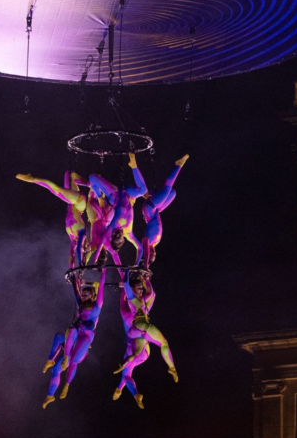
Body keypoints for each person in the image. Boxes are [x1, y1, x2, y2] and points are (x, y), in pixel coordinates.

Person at [112, 269, 177, 407]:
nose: (141, 291)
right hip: (144, 349)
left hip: (134, 342)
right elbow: (151, 294)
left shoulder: (130, 308)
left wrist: (130, 279)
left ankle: (125, 390)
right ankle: (125, 390)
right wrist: (144, 279)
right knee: (160, 344)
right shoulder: (141, 305)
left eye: (141, 289)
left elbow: (143, 295)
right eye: (139, 288)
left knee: (126, 374)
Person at [42, 271, 106, 409]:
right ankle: (50, 395)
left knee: (72, 360)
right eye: (82, 294)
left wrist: (103, 270)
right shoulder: (80, 305)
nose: (83, 296)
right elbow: (74, 289)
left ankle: (67, 385)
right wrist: (75, 272)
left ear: (92, 295)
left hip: (83, 340)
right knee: (60, 339)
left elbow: (101, 286)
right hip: (74, 337)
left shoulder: (97, 306)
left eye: (86, 294)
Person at [15, 170, 94, 268]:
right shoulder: (82, 233)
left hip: (71, 203)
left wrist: (72, 268)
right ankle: (31, 178)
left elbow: (71, 254)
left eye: (86, 247)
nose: (88, 244)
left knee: (69, 174)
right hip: (79, 203)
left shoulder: (73, 239)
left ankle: (90, 184)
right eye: (89, 245)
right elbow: (78, 250)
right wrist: (82, 262)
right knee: (57, 190)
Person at [86, 154, 148, 266]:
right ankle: (133, 165)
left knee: (92, 177)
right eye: (118, 238)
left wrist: (95, 260)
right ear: (123, 240)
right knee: (143, 190)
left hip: (114, 195)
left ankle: (99, 197)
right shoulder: (129, 233)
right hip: (128, 194)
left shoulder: (113, 226)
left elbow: (100, 245)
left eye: (114, 236)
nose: (116, 234)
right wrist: (136, 264)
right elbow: (140, 248)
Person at [135, 154, 189, 269]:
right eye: (154, 255)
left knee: (167, 189)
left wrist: (145, 266)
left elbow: (144, 252)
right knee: (172, 193)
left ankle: (179, 165)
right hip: (157, 210)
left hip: (149, 209)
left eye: (150, 254)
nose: (152, 252)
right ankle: (150, 194)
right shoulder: (156, 242)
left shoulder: (145, 241)